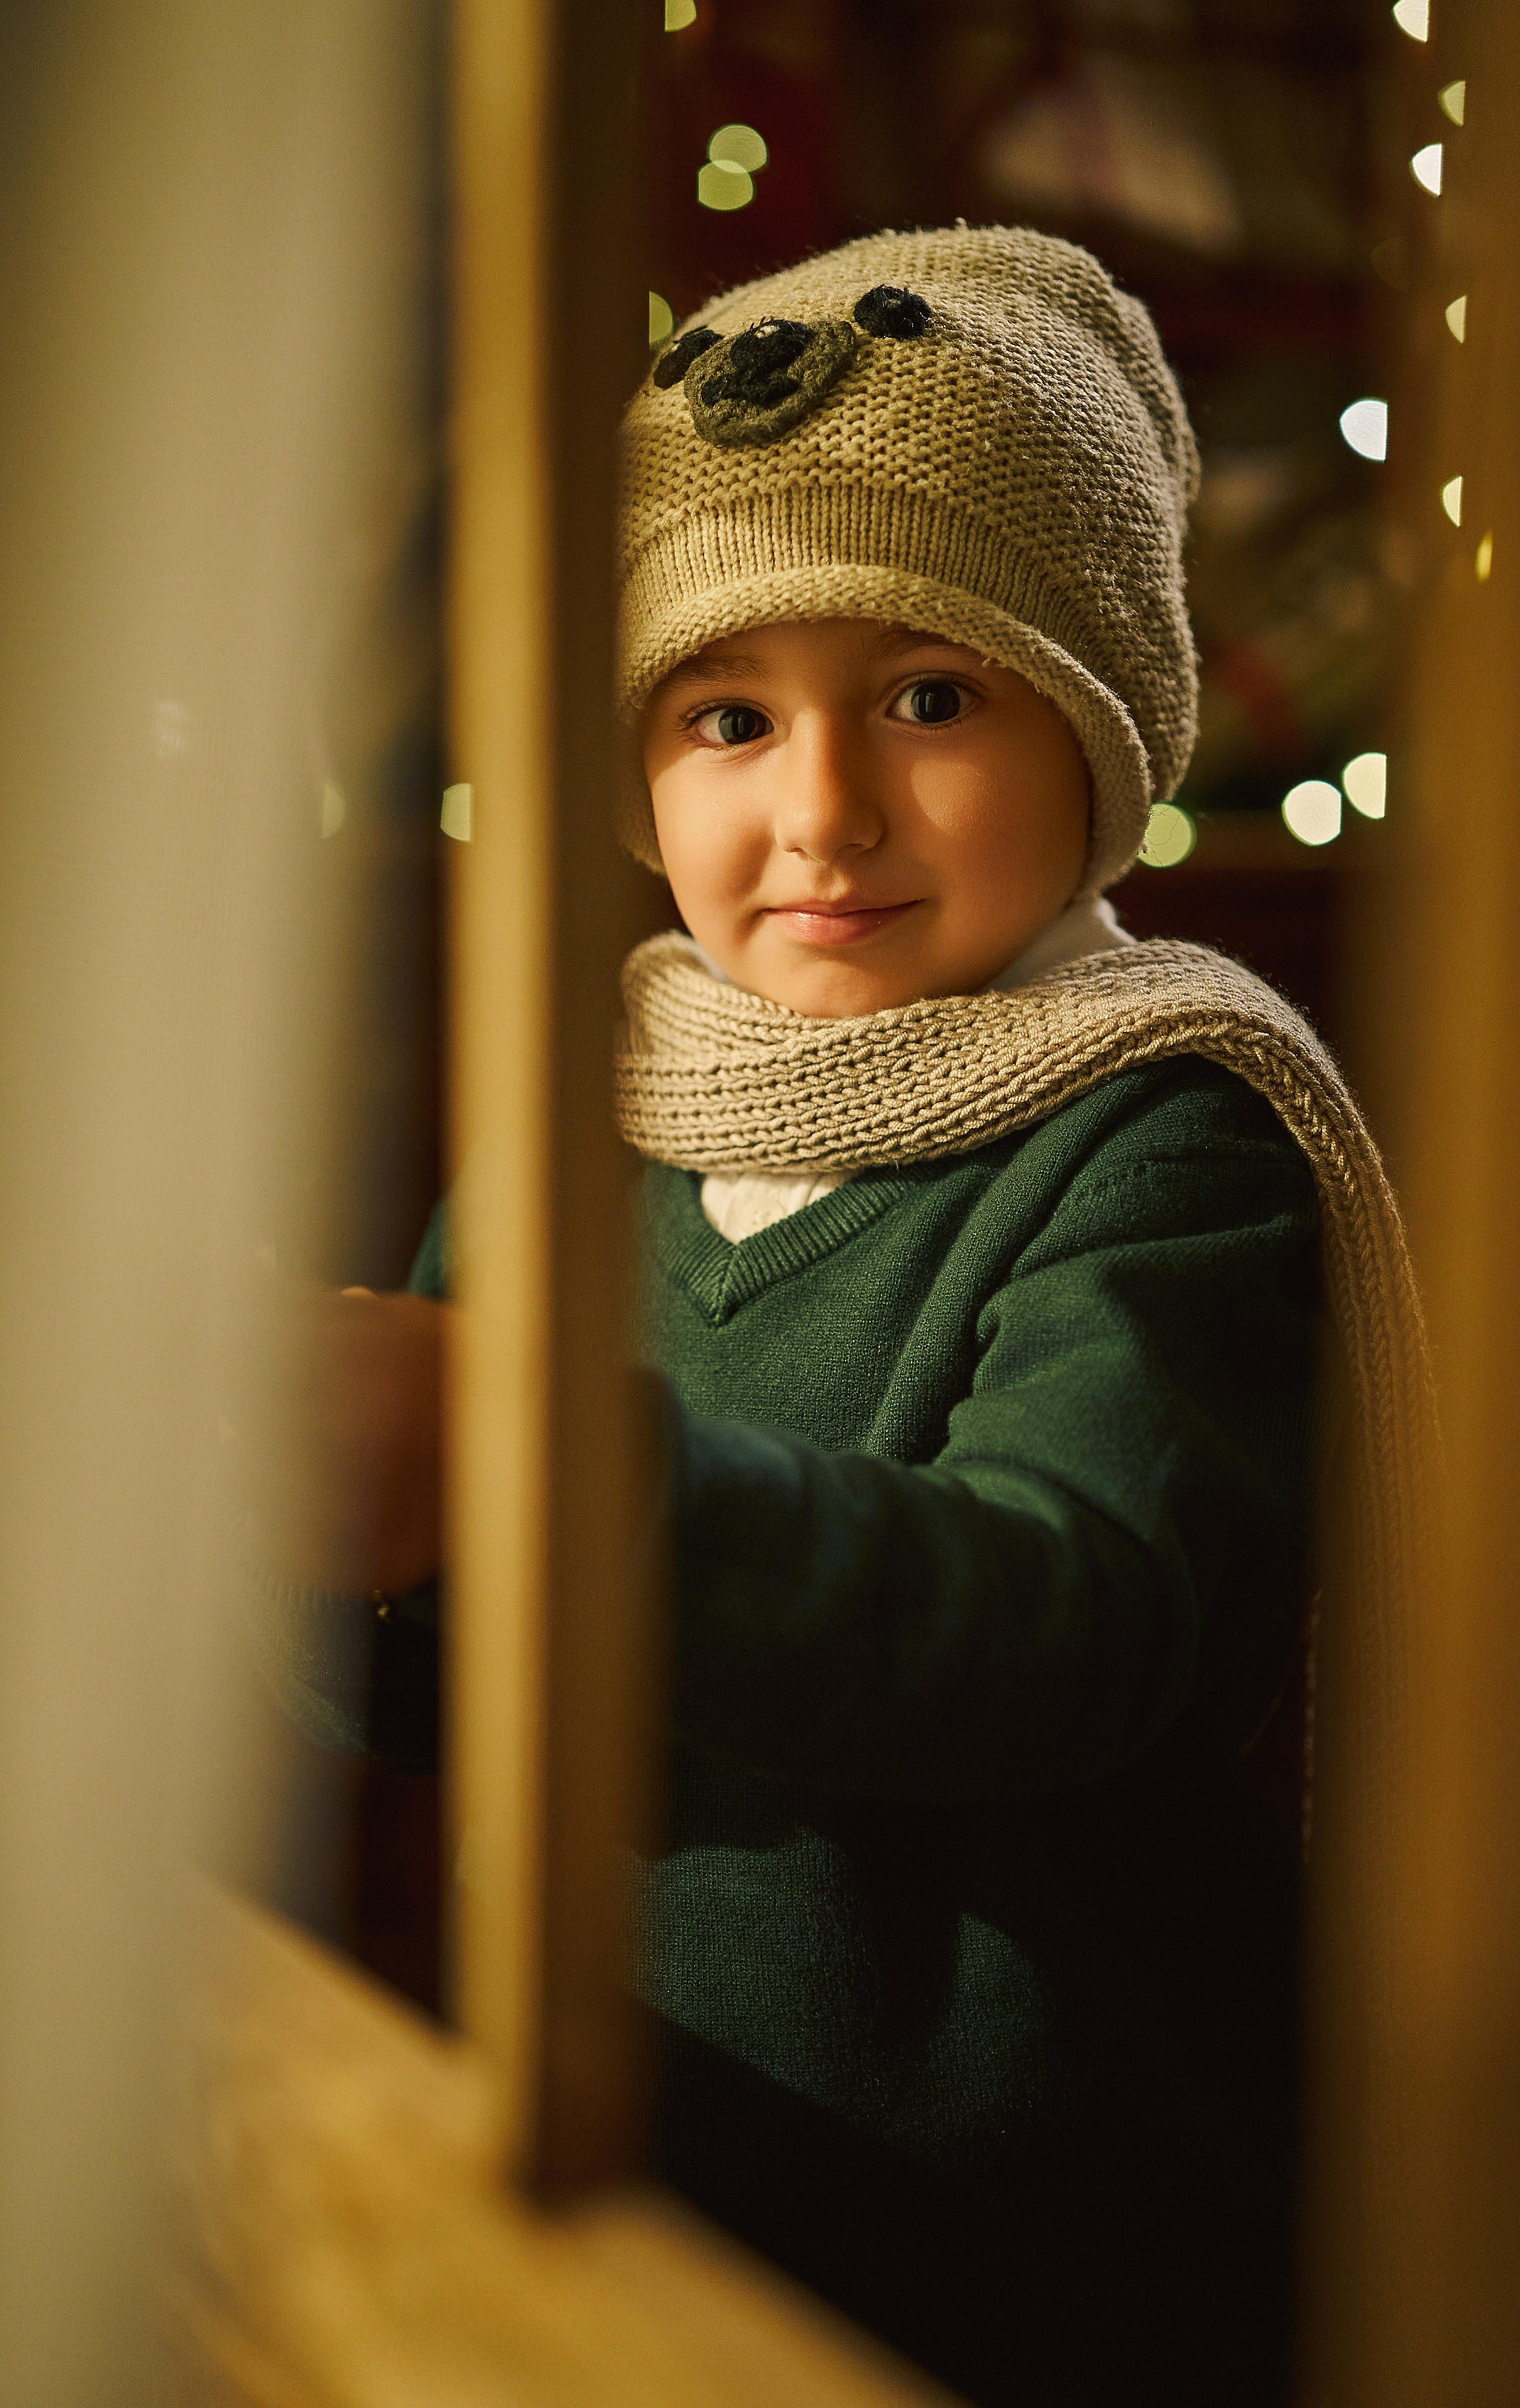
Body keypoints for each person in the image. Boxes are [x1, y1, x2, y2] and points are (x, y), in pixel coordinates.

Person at [253, 227, 1426, 2406]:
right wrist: (328, 1530)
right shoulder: (584, 1129)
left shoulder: (1162, 1136)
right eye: (727, 716)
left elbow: (1070, 1627)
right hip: (613, 2153)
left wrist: (535, 1471)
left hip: (1016, 2243)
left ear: (1098, 720)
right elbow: (412, 1701)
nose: (822, 812)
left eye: (930, 695)